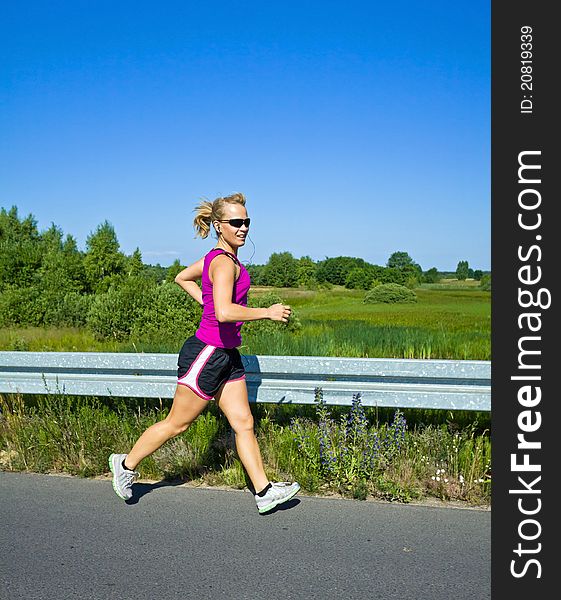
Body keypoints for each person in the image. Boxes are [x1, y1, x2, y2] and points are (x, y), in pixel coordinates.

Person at [109, 192, 300, 513]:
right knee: (177, 424)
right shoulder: (223, 263)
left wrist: (205, 302)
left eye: (247, 222)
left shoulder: (219, 258)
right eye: (236, 222)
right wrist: (266, 312)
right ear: (218, 225)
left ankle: (264, 491)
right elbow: (224, 313)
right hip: (207, 354)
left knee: (244, 423)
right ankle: (125, 466)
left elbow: (182, 278)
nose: (243, 228)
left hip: (227, 355)